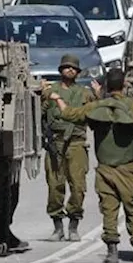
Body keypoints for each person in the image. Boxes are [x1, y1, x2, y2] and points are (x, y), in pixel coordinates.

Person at [52, 66, 133, 263]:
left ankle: (112, 252)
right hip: (128, 168)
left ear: (106, 85)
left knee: (109, 209)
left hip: (105, 169)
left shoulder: (96, 108)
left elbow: (69, 114)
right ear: (124, 85)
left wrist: (58, 99)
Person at [39, 55, 98, 242]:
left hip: (76, 143)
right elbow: (39, 114)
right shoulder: (50, 92)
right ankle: (57, 226)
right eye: (66, 67)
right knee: (55, 186)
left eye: (74, 68)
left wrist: (98, 95)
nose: (70, 70)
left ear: (78, 72)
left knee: (78, 186)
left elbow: (97, 113)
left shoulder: (84, 93)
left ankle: (73, 225)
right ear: (60, 70)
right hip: (55, 143)